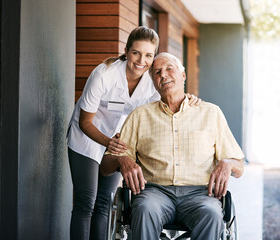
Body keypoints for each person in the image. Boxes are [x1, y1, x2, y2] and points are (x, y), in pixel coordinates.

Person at [67, 27, 201, 240]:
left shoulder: (152, 80)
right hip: (88, 138)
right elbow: (85, 122)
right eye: (136, 52)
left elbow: (169, 101)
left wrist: (190, 99)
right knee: (86, 201)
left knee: (105, 202)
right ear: (127, 50)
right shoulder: (104, 74)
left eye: (149, 55)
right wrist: (110, 144)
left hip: (120, 141)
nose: (141, 60)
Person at [100, 52, 245, 240]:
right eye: (157, 72)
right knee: (144, 209)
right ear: (153, 82)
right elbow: (105, 167)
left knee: (211, 214)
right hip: (154, 193)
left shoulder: (211, 113)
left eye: (169, 68)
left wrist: (227, 162)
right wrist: (121, 159)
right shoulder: (140, 116)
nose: (164, 75)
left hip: (200, 195)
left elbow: (239, 168)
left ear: (183, 75)